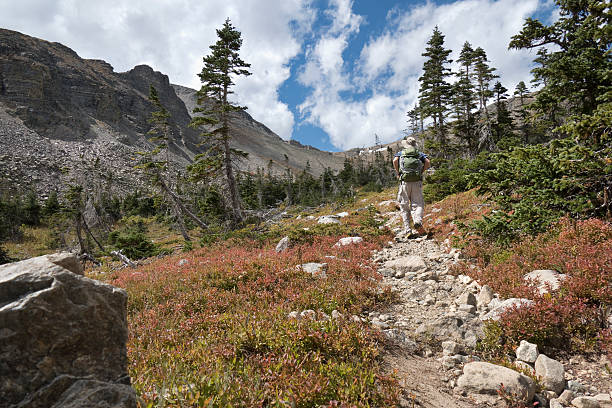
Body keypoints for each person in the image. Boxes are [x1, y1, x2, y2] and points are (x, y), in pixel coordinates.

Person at [393, 136, 430, 236]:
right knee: (418, 203)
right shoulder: (419, 154)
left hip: (404, 181)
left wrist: (398, 172)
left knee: (404, 205)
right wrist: (421, 171)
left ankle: (408, 230)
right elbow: (428, 162)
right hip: (416, 181)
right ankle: (417, 220)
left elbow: (395, 161)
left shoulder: (401, 153)